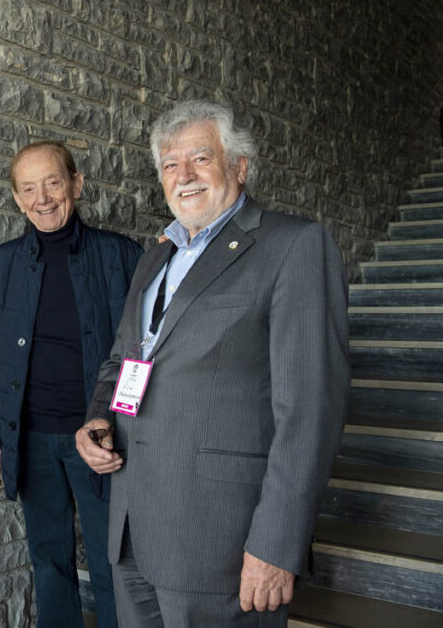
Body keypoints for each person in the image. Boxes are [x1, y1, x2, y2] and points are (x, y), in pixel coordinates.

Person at [75, 100, 349, 627]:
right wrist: (98, 418)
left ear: (239, 166)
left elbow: (311, 413)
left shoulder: (292, 245)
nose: (184, 176)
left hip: (221, 542)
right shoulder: (155, 257)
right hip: (133, 530)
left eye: (201, 158)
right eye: (170, 164)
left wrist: (277, 544)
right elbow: (123, 361)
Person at [0, 141, 143, 627]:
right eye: (29, 188)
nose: (42, 198)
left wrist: (120, 424)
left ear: (76, 184)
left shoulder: (122, 256)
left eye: (52, 183)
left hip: (104, 440)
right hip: (31, 441)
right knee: (49, 563)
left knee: (114, 566)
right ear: (17, 198)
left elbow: (144, 355)